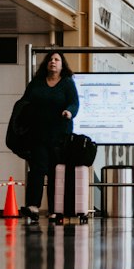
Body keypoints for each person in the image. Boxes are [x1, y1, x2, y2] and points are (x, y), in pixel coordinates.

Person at [17, 50, 80, 224]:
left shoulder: (67, 83)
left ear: (62, 65)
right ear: (46, 63)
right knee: (37, 170)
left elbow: (74, 103)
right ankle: (33, 206)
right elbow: (24, 102)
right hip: (38, 134)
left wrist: (69, 112)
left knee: (55, 173)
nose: (53, 62)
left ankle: (55, 210)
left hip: (59, 136)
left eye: (57, 59)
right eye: (50, 59)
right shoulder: (36, 83)